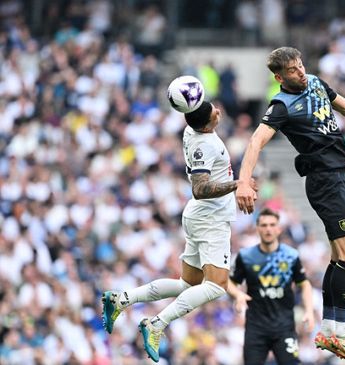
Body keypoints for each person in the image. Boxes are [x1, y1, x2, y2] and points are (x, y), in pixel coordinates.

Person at [235, 47, 345, 362]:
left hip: (343, 176)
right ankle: (338, 331)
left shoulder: (315, 82)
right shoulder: (282, 105)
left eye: (300, 65)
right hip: (325, 181)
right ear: (279, 77)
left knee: (340, 256)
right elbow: (256, 141)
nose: (300, 72)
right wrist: (244, 181)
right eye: (292, 70)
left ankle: (331, 329)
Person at [101, 101, 256, 362]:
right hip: (210, 218)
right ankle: (157, 324)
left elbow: (193, 109)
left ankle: (122, 299)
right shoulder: (205, 144)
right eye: (213, 111)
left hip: (198, 215)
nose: (219, 110)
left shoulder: (192, 129)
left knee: (188, 285)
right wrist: (238, 184)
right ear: (207, 123)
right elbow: (200, 187)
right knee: (216, 287)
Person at [227, 208, 315, 365]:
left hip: (284, 327)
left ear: (279, 228)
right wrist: (238, 294)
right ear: (258, 228)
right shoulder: (246, 257)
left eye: (272, 225)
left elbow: (305, 284)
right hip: (256, 328)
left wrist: (308, 310)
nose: (268, 229)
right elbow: (230, 283)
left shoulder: (291, 256)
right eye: (264, 225)